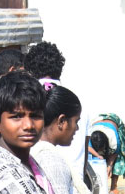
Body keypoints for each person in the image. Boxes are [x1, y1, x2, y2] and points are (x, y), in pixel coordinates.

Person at [25, 41, 90, 178]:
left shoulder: (26, 101)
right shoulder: (77, 101)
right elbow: (85, 148)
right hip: (75, 185)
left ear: (29, 71)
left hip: (41, 181)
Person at [87, 114, 125, 193]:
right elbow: (88, 147)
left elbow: (115, 153)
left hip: (115, 121)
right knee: (93, 158)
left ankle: (113, 187)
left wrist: (110, 166)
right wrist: (98, 155)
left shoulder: (114, 139)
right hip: (98, 122)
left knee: (119, 158)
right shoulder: (90, 135)